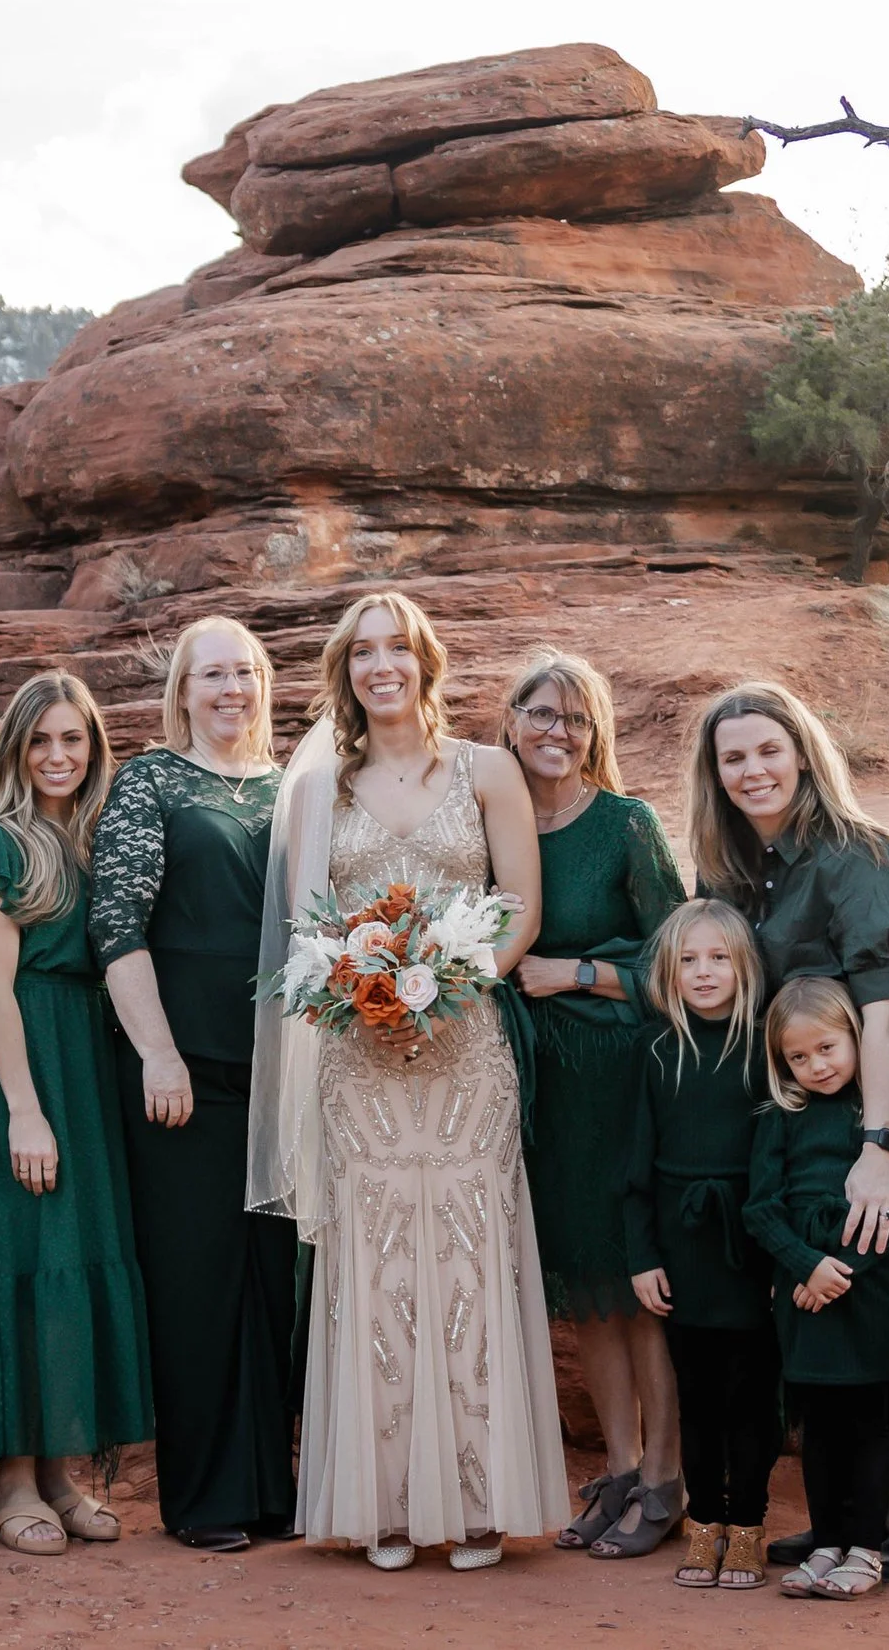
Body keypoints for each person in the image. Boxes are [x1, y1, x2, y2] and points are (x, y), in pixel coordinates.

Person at [249, 590, 567, 1573]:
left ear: (426, 661)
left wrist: (448, 986)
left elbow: (519, 913)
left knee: (472, 1260)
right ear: (345, 672)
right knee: (375, 1268)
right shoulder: (319, 788)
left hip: (467, 1048)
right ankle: (381, 1503)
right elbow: (307, 930)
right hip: (360, 1059)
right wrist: (369, 994)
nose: (380, 664)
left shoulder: (487, 770)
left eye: (397, 647)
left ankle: (477, 1502)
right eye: (361, 652)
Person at [687, 681, 889, 1579]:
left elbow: (884, 1016)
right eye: (734, 757)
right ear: (716, 773)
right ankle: (855, 1510)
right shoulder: (727, 869)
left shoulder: (855, 855)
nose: (753, 769)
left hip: (863, 1124)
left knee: (857, 1307)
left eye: (769, 749)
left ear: (803, 751)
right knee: (815, 1315)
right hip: (786, 1127)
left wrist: (881, 1151)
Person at [90, 618, 299, 1553]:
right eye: (213, 673)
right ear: (182, 688)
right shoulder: (152, 781)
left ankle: (272, 1490)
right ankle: (206, 1497)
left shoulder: (293, 787)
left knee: (272, 1282)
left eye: (246, 672)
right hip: (188, 1073)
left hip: (286, 1074)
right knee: (197, 1281)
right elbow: (117, 926)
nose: (232, 688)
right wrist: (157, 1052)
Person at [0, 671, 154, 1557]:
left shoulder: (97, 840)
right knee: (29, 1259)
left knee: (77, 1258)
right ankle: (12, 1482)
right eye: (41, 741)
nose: (59, 756)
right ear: (16, 752)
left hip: (88, 1068)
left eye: (74, 740)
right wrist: (24, 1112)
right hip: (26, 1066)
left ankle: (63, 1474)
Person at [500, 650, 687, 1560]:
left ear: (596, 732)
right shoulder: (496, 826)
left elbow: (683, 958)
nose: (555, 732)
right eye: (540, 713)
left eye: (574, 718)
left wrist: (579, 971)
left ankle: (666, 1474)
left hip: (618, 1072)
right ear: (510, 723)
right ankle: (619, 1465)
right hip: (543, 1084)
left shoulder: (625, 824)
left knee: (636, 1284)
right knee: (586, 1289)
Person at [622, 899, 777, 1593]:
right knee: (699, 1396)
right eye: (689, 959)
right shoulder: (655, 1051)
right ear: (668, 970)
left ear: (745, 965)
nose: (704, 971)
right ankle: (703, 1522)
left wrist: (781, 1254)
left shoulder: (767, 1046)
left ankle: (746, 1525)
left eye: (719, 957)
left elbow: (783, 1155)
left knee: (751, 1395)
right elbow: (633, 1170)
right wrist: (641, 1254)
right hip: (682, 1249)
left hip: (751, 1244)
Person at [745, 978, 889, 1603]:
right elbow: (761, 1207)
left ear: (856, 1040)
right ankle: (826, 1545)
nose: (817, 1065)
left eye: (827, 1048)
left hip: (860, 1291)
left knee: (865, 1422)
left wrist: (836, 1270)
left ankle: (866, 1547)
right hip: (799, 1293)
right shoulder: (780, 1119)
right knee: (816, 1427)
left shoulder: (881, 1119)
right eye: (799, 1057)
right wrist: (803, 1266)